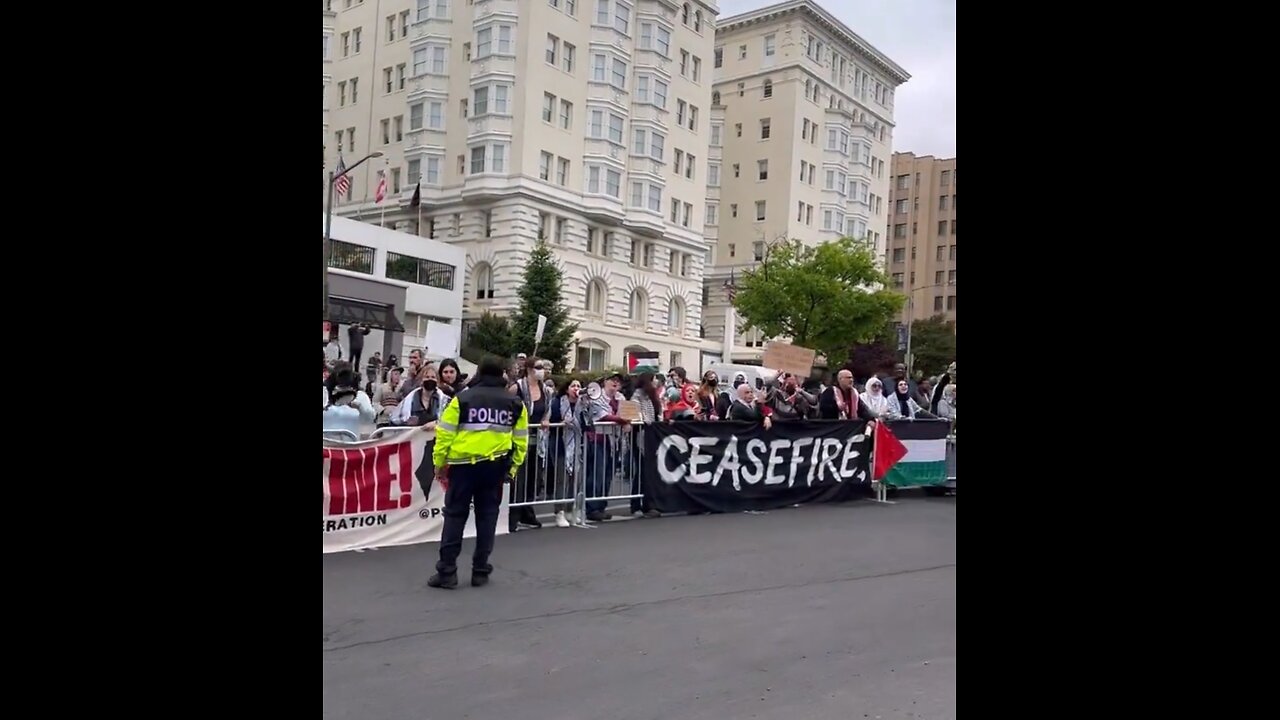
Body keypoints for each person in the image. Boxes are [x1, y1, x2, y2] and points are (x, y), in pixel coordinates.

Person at [428, 356, 529, 590]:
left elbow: (444, 434)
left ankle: (447, 572)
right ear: (502, 374)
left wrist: (439, 463)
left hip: (462, 467)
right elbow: (521, 441)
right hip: (494, 466)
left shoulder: (461, 399)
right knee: (487, 518)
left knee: (454, 517)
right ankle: (480, 571)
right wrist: (512, 468)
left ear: (479, 372)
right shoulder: (515, 403)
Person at [508, 357, 553, 531]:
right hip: (519, 439)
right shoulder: (517, 387)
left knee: (532, 478)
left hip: (537, 440)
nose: (542, 370)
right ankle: (513, 515)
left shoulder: (547, 391)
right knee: (517, 478)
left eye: (543, 367)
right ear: (529, 369)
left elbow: (546, 411)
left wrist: (546, 419)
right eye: (538, 367)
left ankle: (527, 511)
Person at [582, 373, 628, 522]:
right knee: (597, 474)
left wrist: (628, 419)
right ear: (605, 382)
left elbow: (629, 412)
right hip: (598, 439)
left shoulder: (621, 398)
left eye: (618, 381)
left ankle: (601, 506)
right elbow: (601, 415)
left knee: (608, 474)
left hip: (614, 441)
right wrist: (621, 420)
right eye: (612, 380)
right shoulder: (597, 395)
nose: (615, 383)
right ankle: (592, 508)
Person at [549, 378, 584, 527]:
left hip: (576, 444)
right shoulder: (558, 402)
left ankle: (571, 509)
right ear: (566, 389)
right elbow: (552, 418)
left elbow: (586, 422)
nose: (576, 388)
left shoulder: (582, 404)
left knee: (575, 478)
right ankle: (560, 511)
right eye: (573, 386)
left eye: (578, 386)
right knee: (562, 478)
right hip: (560, 442)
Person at [628, 372, 663, 518]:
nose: (656, 382)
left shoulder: (653, 397)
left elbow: (658, 413)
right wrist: (645, 420)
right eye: (654, 379)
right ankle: (636, 504)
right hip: (640, 438)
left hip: (651, 437)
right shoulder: (637, 397)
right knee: (641, 471)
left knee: (650, 472)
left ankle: (649, 503)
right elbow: (636, 416)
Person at [323, 364, 376, 437]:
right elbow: (369, 417)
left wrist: (359, 407)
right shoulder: (325, 394)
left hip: (346, 443)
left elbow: (368, 417)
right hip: (330, 443)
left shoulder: (360, 396)